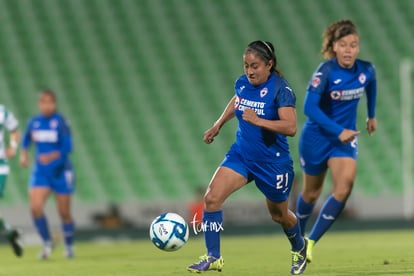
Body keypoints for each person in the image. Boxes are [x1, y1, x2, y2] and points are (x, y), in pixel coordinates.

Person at [187, 41, 307, 275]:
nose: (250, 71)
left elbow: (291, 127)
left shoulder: (281, 90)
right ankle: (214, 256)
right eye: (246, 66)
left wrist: (259, 121)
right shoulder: (243, 83)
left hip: (273, 163)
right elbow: (237, 101)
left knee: (279, 216)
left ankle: (299, 247)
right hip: (242, 155)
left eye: (255, 66)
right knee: (211, 198)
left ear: (269, 64)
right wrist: (218, 123)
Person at [295, 19, 377, 263]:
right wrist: (336, 129)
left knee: (344, 187)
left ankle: (310, 242)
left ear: (358, 48)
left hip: (345, 139)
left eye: (353, 45)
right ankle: (296, 240)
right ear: (334, 47)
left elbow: (371, 85)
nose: (349, 50)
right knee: (311, 193)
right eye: (343, 45)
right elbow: (309, 107)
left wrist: (371, 115)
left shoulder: (366, 70)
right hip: (317, 137)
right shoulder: (326, 71)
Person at [20, 90, 75, 259]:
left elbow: (68, 147)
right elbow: (26, 139)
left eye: (50, 102)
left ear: (55, 103)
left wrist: (52, 156)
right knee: (35, 207)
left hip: (61, 171)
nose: (46, 105)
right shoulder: (34, 122)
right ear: (39, 104)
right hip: (41, 172)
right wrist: (23, 153)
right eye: (43, 102)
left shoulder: (61, 122)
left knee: (64, 212)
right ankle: (47, 242)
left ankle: (68, 246)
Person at [0, 104, 23, 257]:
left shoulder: (2, 112)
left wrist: (13, 146)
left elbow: (14, 129)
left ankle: (9, 232)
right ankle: (10, 232)